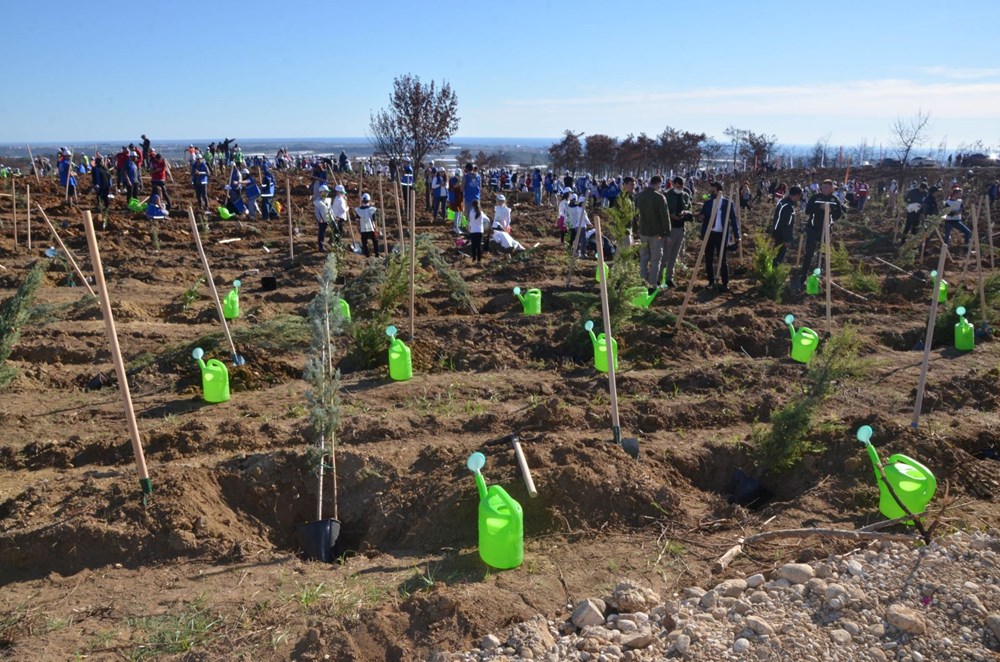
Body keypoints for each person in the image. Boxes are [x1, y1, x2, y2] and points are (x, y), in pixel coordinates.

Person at [799, 179, 844, 284]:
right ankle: (803, 275)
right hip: (813, 229)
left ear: (832, 188)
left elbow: (838, 215)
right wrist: (820, 207)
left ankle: (817, 275)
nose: (823, 189)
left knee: (822, 254)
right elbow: (807, 210)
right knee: (809, 253)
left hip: (826, 230)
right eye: (823, 187)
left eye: (826, 187)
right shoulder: (815, 198)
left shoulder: (834, 199)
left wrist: (831, 210)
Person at [700, 182, 740, 291]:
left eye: (712, 190)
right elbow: (702, 216)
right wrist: (701, 217)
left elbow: (734, 220)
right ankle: (711, 281)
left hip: (721, 234)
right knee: (708, 258)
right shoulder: (708, 203)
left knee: (722, 258)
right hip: (710, 234)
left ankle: (725, 283)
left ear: (718, 190)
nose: (710, 192)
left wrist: (737, 236)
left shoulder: (727, 203)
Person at [635, 175, 671, 288]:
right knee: (656, 259)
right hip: (657, 233)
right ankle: (652, 283)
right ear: (659, 183)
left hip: (643, 231)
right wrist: (667, 233)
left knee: (644, 257)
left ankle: (642, 281)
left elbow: (635, 215)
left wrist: (637, 229)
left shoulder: (640, 196)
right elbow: (665, 216)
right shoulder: (660, 197)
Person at [663, 176, 692, 288]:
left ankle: (669, 278)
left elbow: (689, 207)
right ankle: (659, 278)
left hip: (681, 228)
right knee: (665, 255)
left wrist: (686, 213)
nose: (679, 187)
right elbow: (663, 211)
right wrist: (671, 216)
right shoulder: (667, 195)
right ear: (673, 184)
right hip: (670, 229)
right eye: (677, 185)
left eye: (681, 186)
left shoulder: (685, 195)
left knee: (674, 256)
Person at [771, 185, 802, 266]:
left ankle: (771, 270)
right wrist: (787, 239)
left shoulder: (783, 202)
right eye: (799, 196)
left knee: (776, 253)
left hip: (776, 230)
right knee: (779, 255)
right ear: (797, 195)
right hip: (781, 234)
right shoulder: (788, 207)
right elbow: (786, 224)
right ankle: (774, 273)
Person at [355, 193, 380, 257]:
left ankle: (367, 255)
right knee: (375, 241)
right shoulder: (372, 209)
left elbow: (357, 220)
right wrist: (376, 228)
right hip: (372, 227)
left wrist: (358, 227)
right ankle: (377, 254)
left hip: (363, 228)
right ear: (369, 200)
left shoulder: (359, 210)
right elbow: (374, 220)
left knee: (364, 242)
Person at [314, 184, 334, 251]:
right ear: (321, 192)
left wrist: (333, 216)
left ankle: (333, 242)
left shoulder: (328, 200)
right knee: (321, 232)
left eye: (327, 192)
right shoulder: (317, 201)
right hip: (322, 219)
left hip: (329, 217)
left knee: (335, 229)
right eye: (325, 192)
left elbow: (330, 209)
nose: (326, 193)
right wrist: (319, 219)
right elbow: (317, 211)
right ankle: (321, 247)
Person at [448, 169, 464, 233]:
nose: (458, 176)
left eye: (459, 175)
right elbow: (451, 188)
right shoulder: (452, 180)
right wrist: (458, 183)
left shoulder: (461, 180)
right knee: (457, 212)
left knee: (460, 212)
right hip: (455, 198)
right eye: (457, 175)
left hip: (460, 198)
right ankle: (455, 226)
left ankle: (459, 226)